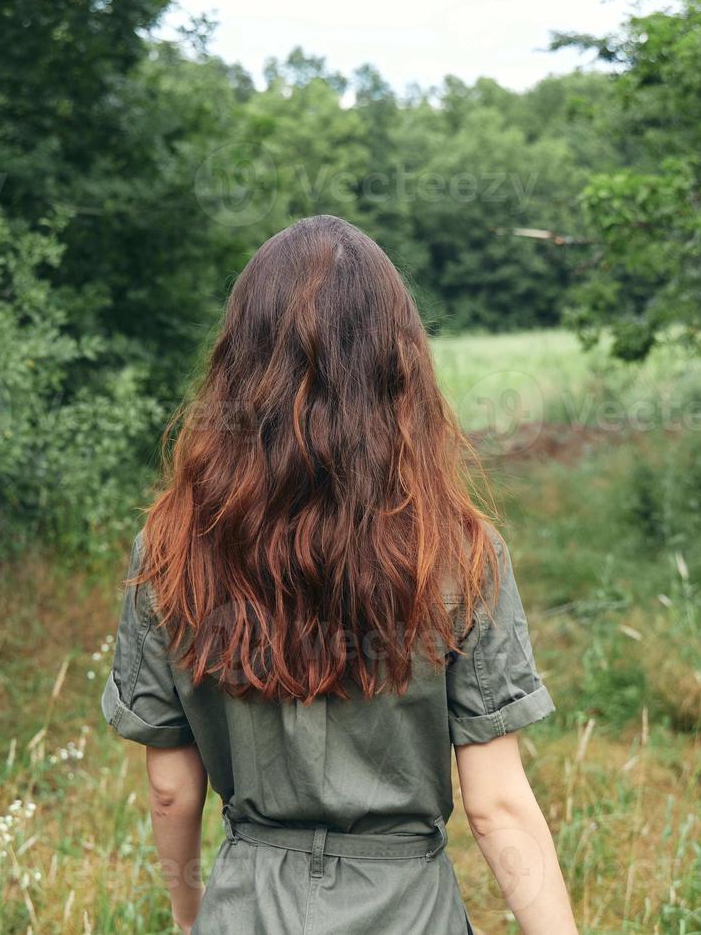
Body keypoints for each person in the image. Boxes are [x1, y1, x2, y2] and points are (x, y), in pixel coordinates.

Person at [101, 215, 578, 934]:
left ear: (239, 362)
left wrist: (193, 913)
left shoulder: (172, 546)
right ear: (399, 367)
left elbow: (172, 790)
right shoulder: (457, 551)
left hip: (247, 909)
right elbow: (496, 804)